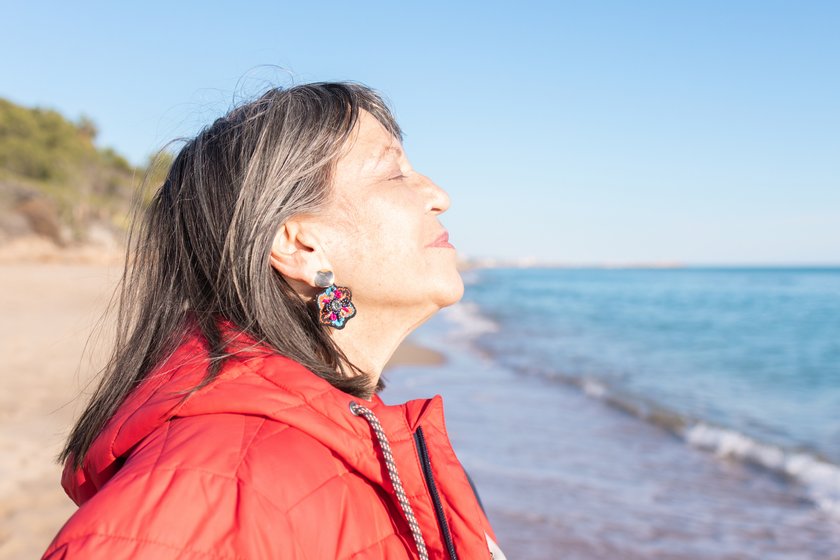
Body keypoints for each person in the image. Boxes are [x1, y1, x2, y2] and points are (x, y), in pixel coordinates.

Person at [41, 81, 507, 559]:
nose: (438, 195)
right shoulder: (218, 491)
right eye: (393, 173)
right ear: (300, 246)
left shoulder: (362, 438)